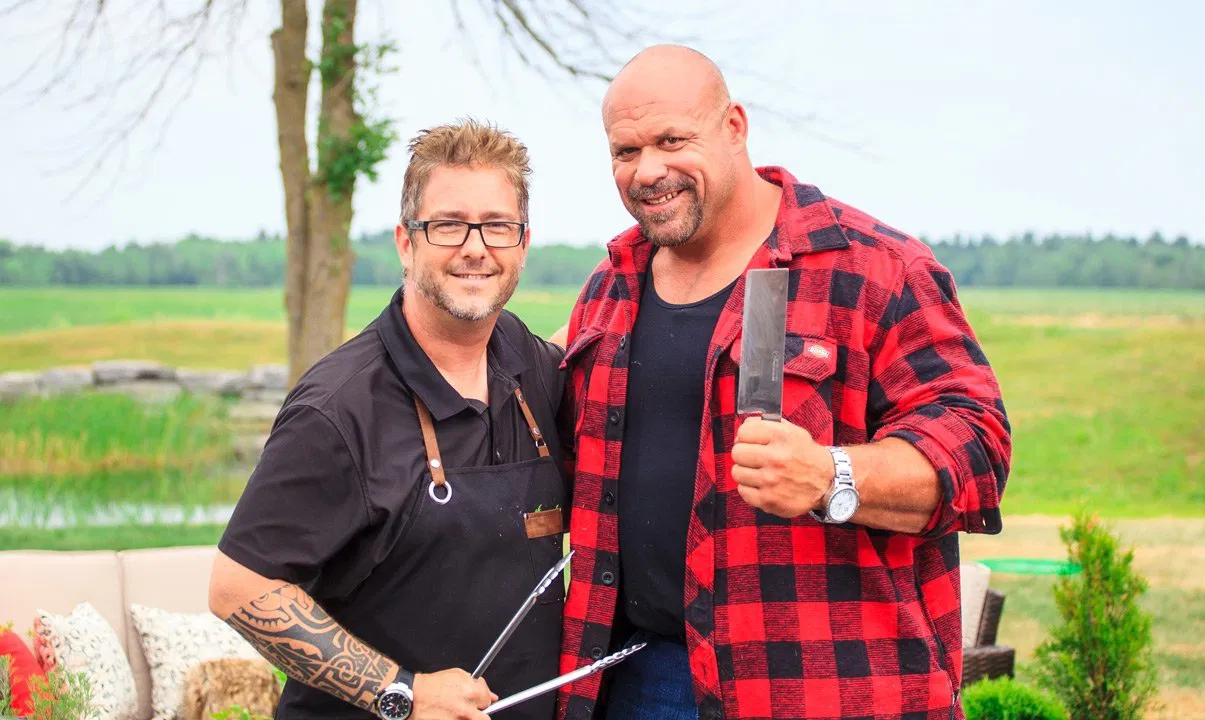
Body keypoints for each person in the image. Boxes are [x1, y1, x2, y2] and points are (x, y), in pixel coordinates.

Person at [553, 45, 1013, 720]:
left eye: (672, 140)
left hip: (825, 687)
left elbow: (977, 449)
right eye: (626, 151)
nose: (647, 170)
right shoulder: (609, 288)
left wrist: (833, 476)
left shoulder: (873, 269)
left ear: (734, 127)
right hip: (636, 677)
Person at [208, 119, 569, 720]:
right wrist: (401, 691)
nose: (475, 247)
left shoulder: (524, 360)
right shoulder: (338, 408)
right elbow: (239, 587)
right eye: (448, 225)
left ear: (523, 243)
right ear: (406, 242)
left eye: (497, 225)